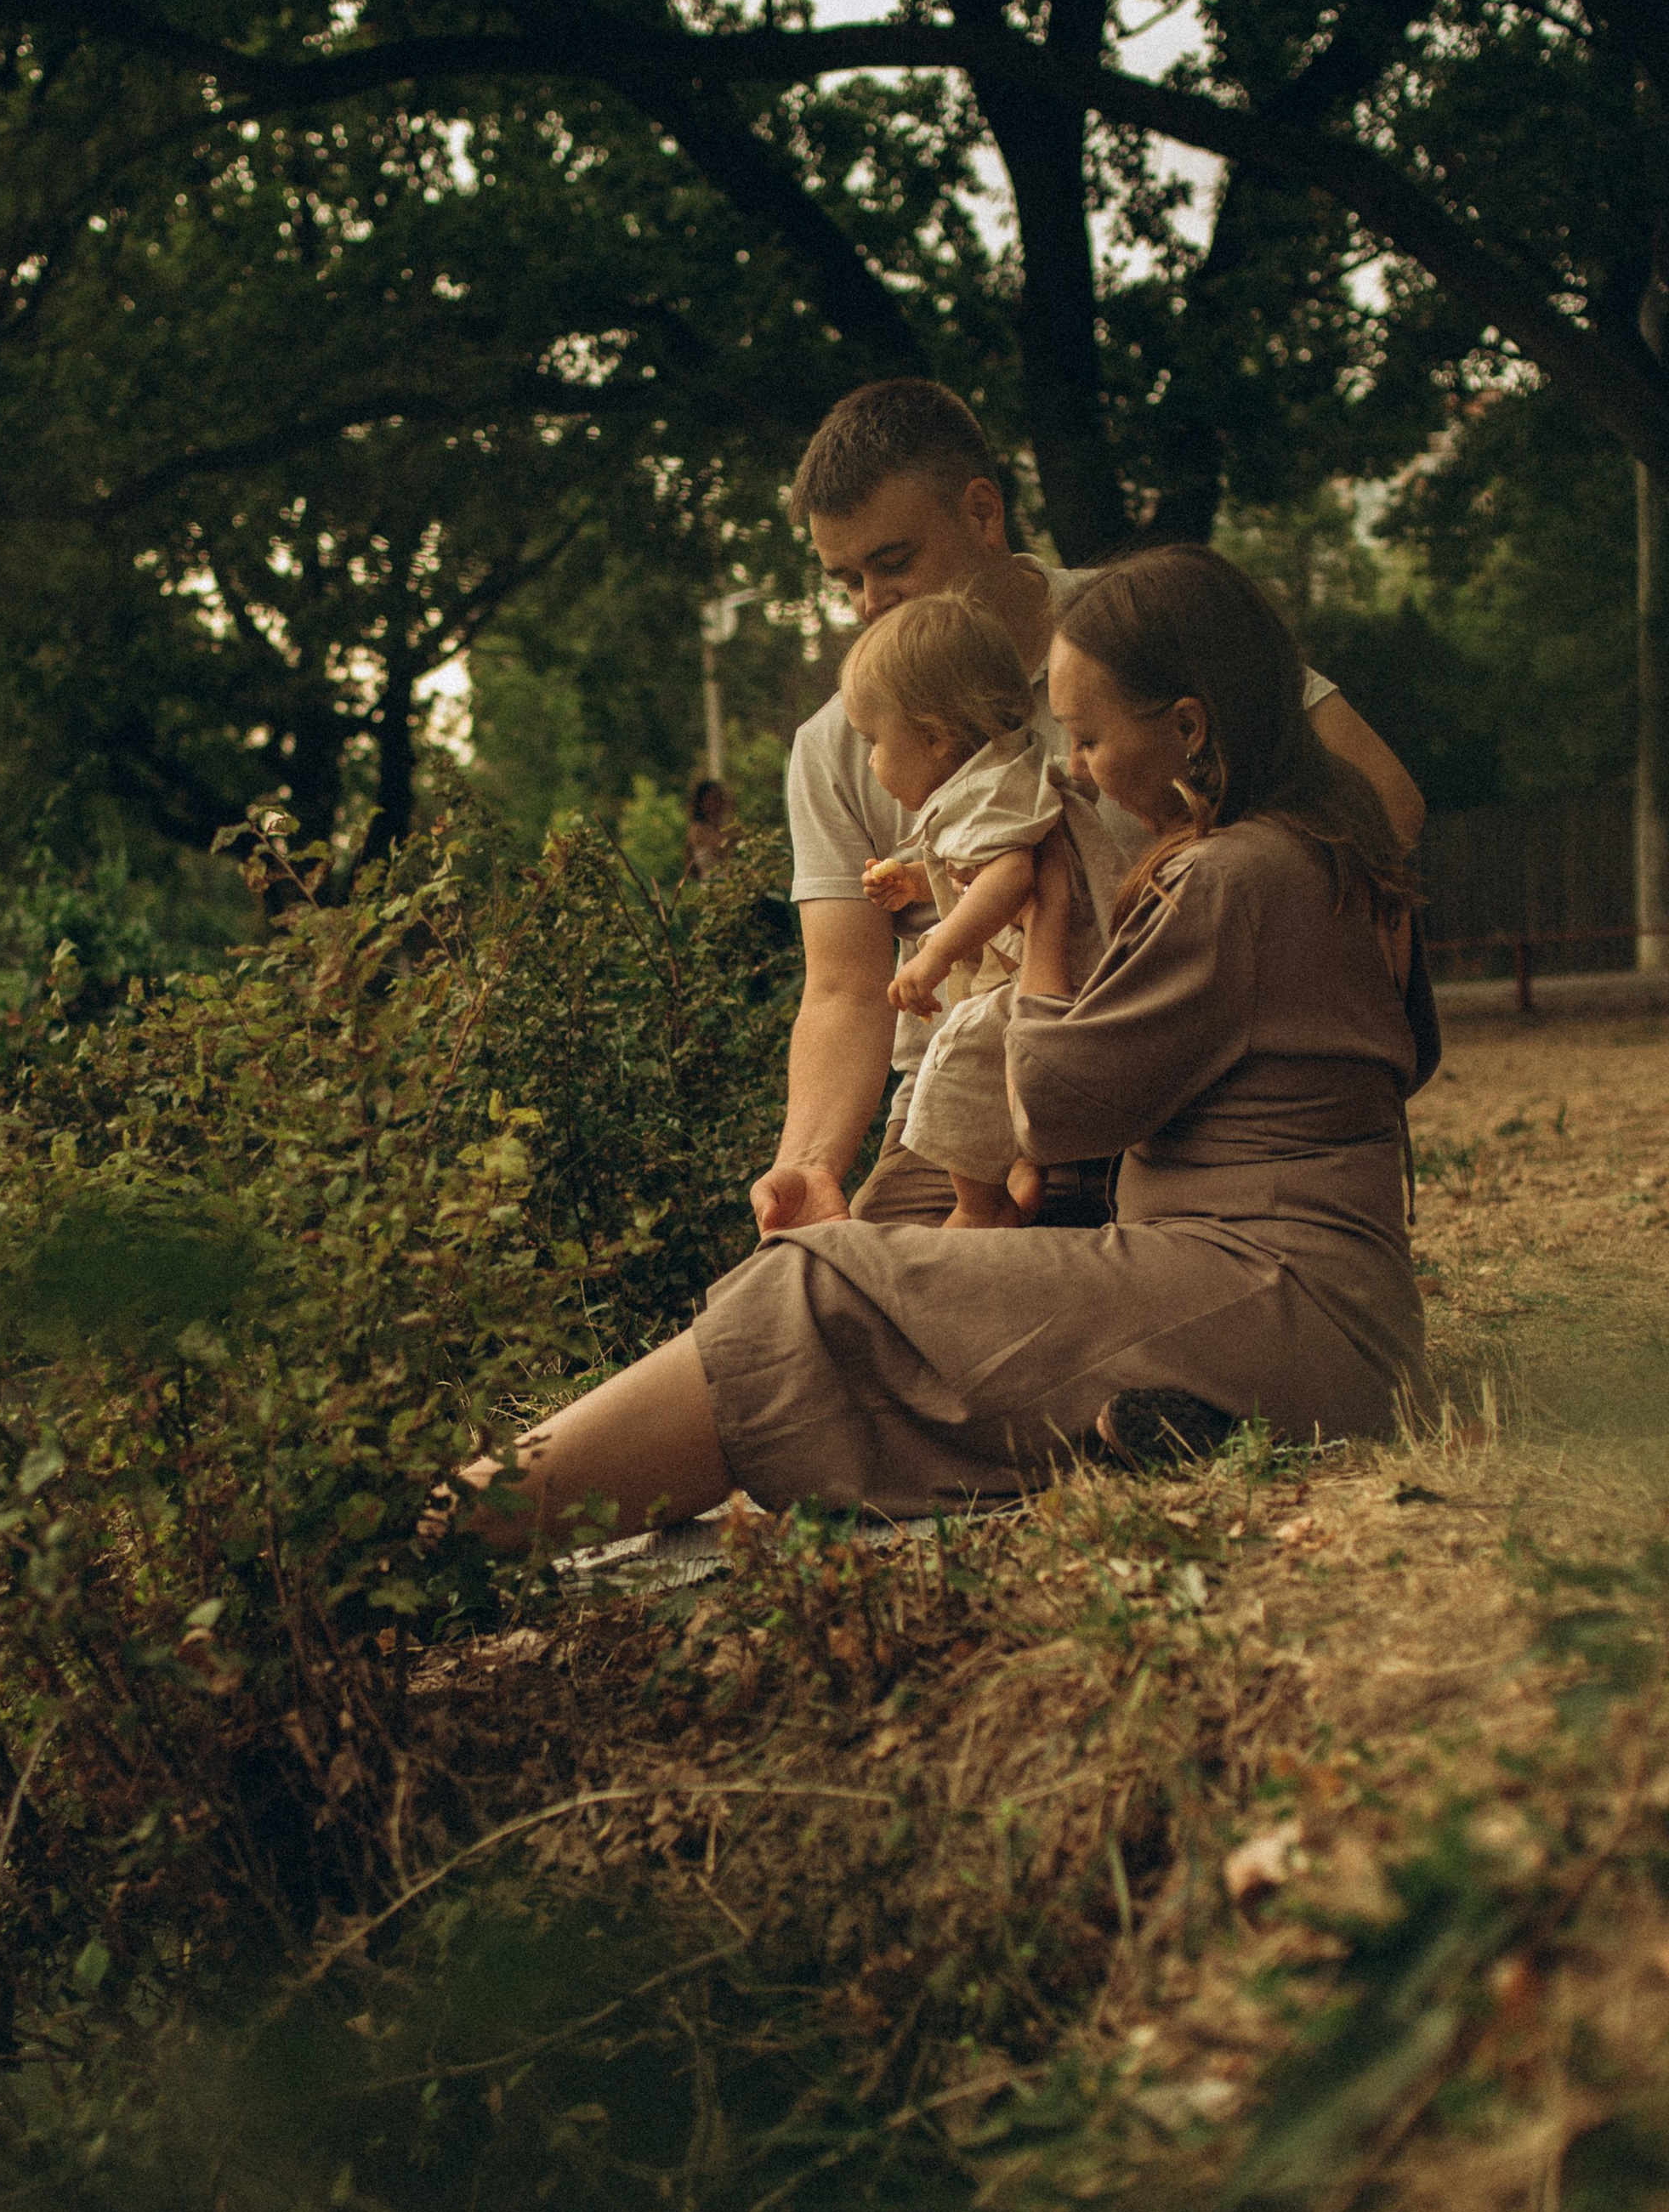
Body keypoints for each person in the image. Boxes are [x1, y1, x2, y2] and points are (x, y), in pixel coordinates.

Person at [458, 545, 1436, 1542]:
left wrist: (1048, 911)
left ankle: (451, 1528)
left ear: (1186, 727)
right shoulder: (1323, 844)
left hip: (1272, 1301)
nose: (1072, 769)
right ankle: (1149, 1428)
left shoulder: (1233, 875)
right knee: (863, 1281)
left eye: (1090, 739)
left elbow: (1050, 1106)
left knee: (815, 1292)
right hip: (1311, 1307)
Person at [755, 381, 1428, 1239]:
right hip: (969, 1116)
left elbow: (1381, 804)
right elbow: (848, 987)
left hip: (1195, 1094)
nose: (869, 604)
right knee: (842, 1316)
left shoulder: (1145, 622)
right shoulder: (844, 738)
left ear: (982, 511)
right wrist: (809, 1163)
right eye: (845, 578)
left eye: (892, 562)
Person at [838, 590, 1119, 1227]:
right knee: (986, 1055)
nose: (872, 762)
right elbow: (976, 868)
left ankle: (980, 1204)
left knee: (956, 1056)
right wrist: (912, 881)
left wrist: (935, 954)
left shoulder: (984, 793)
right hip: (1065, 975)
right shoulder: (1001, 774)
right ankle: (1022, 1159)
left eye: (873, 743)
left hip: (1058, 983)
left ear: (935, 739)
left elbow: (1011, 874)